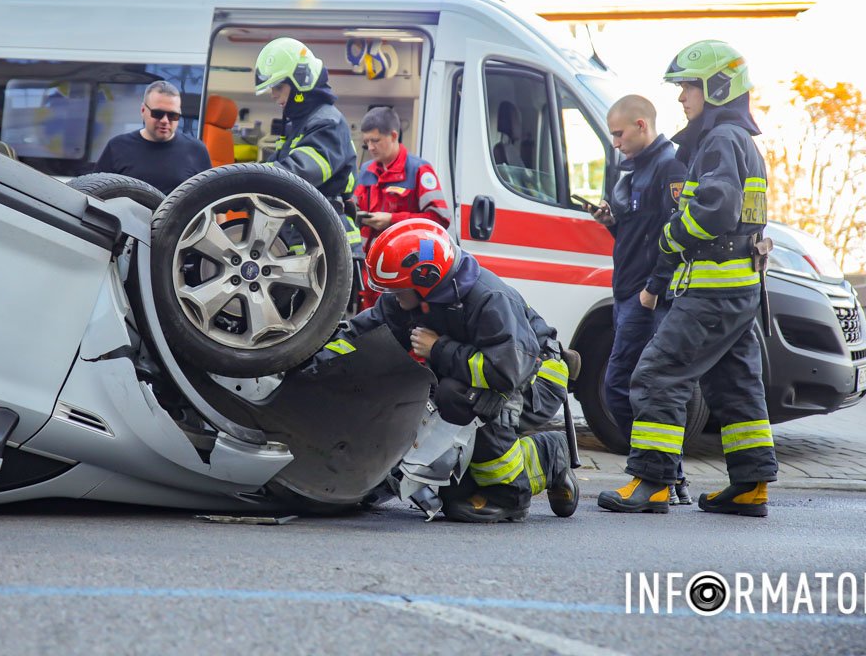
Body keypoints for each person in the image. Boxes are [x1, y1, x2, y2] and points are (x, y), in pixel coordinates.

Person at [597, 40, 778, 517]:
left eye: (689, 88)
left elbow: (715, 210)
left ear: (717, 87)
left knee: (656, 374)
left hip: (712, 289)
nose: (681, 97)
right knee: (736, 384)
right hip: (739, 289)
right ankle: (750, 486)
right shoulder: (740, 141)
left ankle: (652, 482)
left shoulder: (720, 140)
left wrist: (670, 236)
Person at [317, 219, 579, 523]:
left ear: (426, 280)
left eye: (398, 289)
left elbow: (506, 371)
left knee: (462, 397)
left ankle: (513, 492)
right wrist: (314, 358)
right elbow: (364, 335)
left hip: (534, 378)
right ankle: (538, 463)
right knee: (456, 499)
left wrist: (439, 348)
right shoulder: (415, 299)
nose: (393, 296)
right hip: (491, 376)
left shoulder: (489, 299)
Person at [589, 94, 691, 504]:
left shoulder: (670, 167)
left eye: (619, 134)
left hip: (645, 296)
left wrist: (653, 289)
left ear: (641, 125)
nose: (615, 142)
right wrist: (611, 222)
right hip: (627, 292)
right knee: (630, 387)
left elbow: (676, 235)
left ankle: (656, 474)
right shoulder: (632, 171)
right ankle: (668, 475)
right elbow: (638, 233)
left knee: (620, 385)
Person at [253, 37, 363, 253]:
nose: (273, 94)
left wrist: (245, 177)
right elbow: (276, 167)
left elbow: (299, 173)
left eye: (278, 86)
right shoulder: (301, 124)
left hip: (327, 240)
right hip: (309, 231)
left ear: (300, 82)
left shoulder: (327, 122)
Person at [354, 106, 450, 309]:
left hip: (405, 273)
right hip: (370, 268)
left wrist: (391, 220)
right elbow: (354, 208)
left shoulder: (419, 170)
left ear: (394, 136)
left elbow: (439, 220)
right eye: (366, 142)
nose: (370, 147)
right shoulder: (366, 170)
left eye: (375, 140)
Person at [94, 80, 212, 194]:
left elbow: (210, 199)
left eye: (173, 115)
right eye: (158, 114)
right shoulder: (117, 147)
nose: (165, 120)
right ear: (143, 110)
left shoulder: (196, 150)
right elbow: (95, 193)